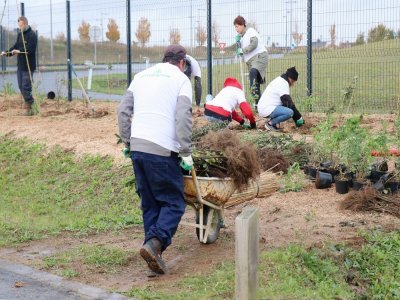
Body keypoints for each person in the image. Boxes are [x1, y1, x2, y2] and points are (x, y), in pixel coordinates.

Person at [117, 44, 193, 275]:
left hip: (138, 148)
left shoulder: (140, 76)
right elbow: (182, 118)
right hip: (162, 150)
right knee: (173, 202)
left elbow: (123, 112)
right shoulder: (181, 80)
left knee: (149, 203)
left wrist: (128, 142)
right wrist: (186, 152)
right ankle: (154, 243)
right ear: (182, 63)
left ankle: (153, 253)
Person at [0, 16, 37, 116]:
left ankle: (29, 108)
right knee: (21, 87)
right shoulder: (20, 34)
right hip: (20, 66)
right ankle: (30, 102)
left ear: (25, 24)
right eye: (19, 26)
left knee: (26, 87)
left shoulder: (32, 35)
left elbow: (30, 49)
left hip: (28, 66)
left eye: (21, 25)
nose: (19, 27)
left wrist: (19, 51)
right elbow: (15, 47)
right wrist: (6, 53)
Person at [233, 15, 268, 110]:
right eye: (235, 27)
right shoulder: (242, 37)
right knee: (254, 82)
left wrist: (243, 50)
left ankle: (258, 103)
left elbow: (254, 44)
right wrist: (238, 43)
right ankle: (258, 105)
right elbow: (240, 51)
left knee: (253, 75)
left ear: (242, 25)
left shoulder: (250, 31)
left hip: (259, 57)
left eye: (237, 26)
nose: (236, 29)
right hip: (251, 62)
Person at [257, 66, 305, 132]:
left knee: (285, 108)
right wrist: (298, 117)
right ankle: (270, 124)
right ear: (290, 79)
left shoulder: (280, 80)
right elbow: (289, 103)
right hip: (266, 108)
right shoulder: (283, 83)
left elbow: (286, 103)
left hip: (265, 107)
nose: (293, 84)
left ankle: (273, 124)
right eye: (293, 81)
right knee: (289, 112)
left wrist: (297, 117)